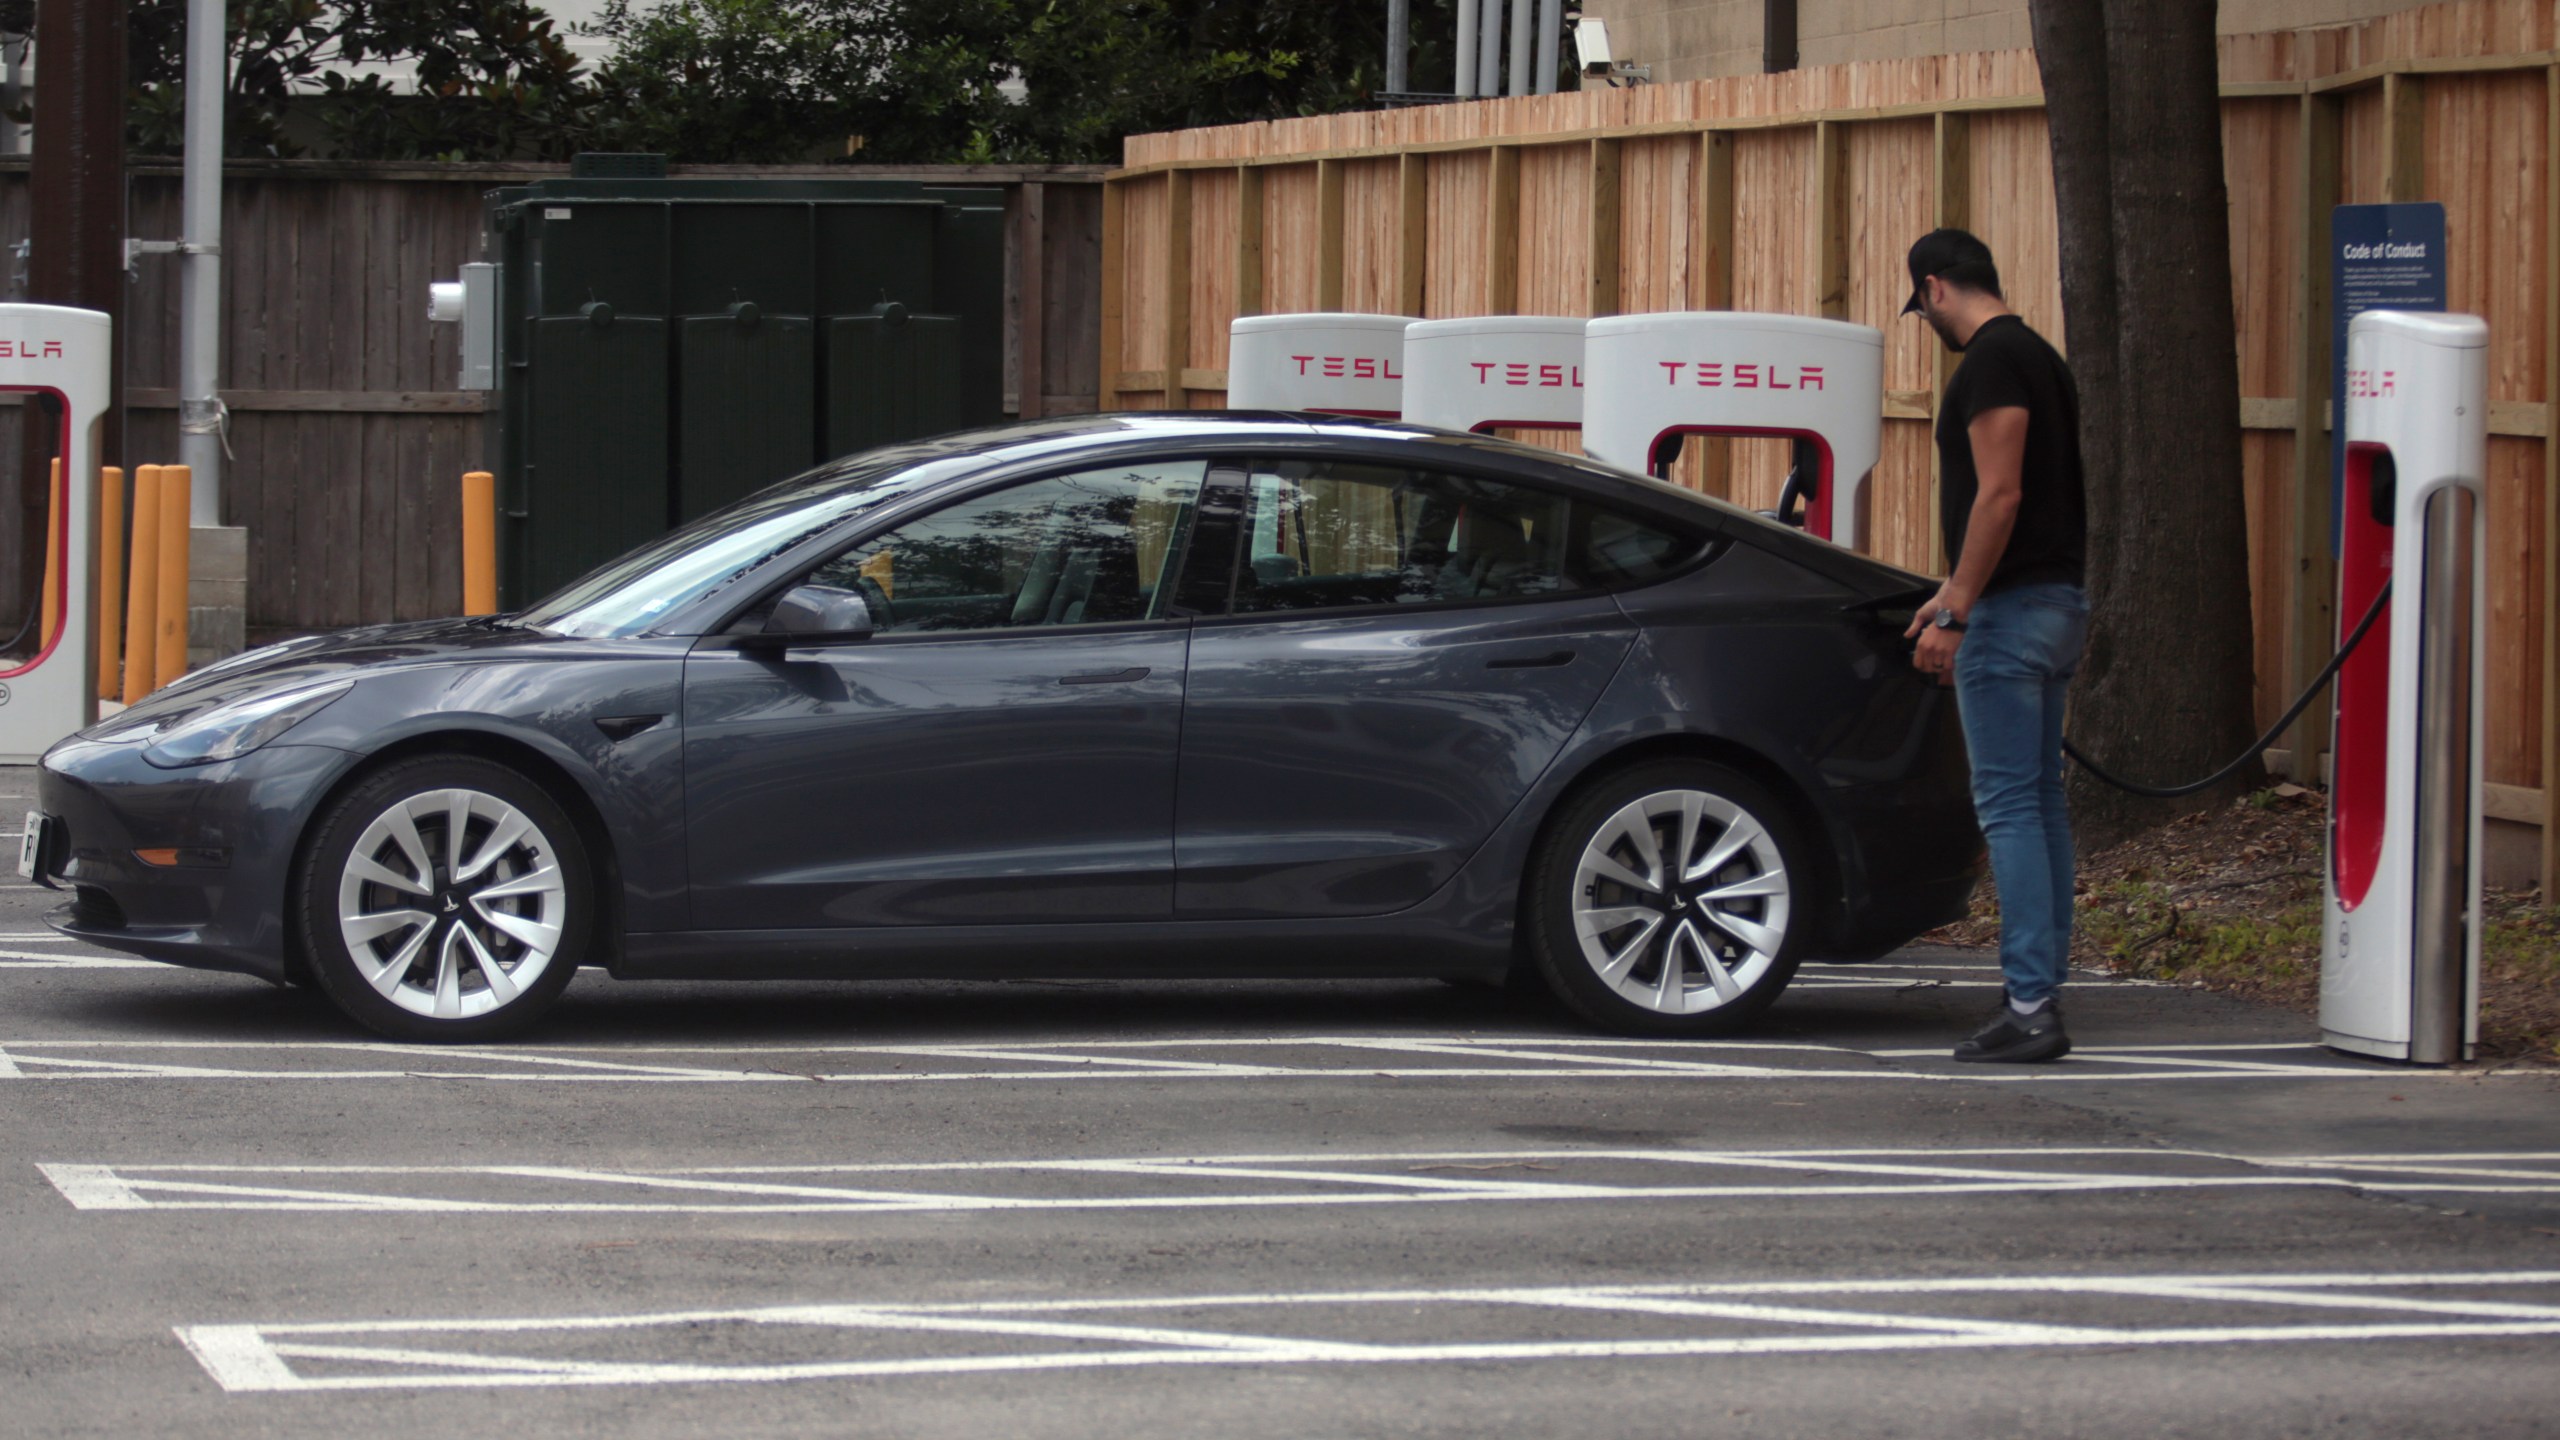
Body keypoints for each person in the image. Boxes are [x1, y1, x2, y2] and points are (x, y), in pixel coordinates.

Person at [1898, 228, 2090, 1064]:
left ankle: (2029, 1004)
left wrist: (1958, 609)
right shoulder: (2042, 356)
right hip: (2055, 603)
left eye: (1922, 305)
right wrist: (1949, 589)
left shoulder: (1990, 363)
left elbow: (2001, 495)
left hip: (2009, 617)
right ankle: (2041, 988)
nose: (1926, 319)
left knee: (2010, 807)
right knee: (2040, 803)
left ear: (1935, 287)